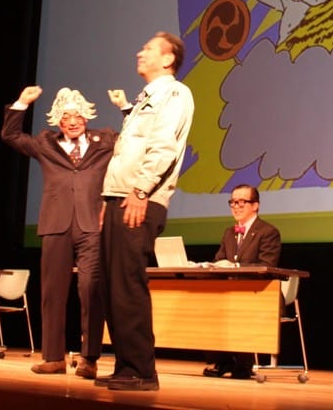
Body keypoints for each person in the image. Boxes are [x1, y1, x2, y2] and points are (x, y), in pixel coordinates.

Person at [1, 85, 125, 379]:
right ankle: (53, 358)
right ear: (58, 120)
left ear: (86, 118)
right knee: (52, 292)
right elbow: (11, 136)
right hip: (55, 225)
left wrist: (125, 107)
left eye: (77, 116)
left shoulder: (105, 139)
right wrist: (22, 102)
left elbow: (134, 138)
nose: (72, 122)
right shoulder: (45, 143)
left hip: (91, 225)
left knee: (91, 289)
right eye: (66, 117)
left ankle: (89, 358)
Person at [96, 31, 195, 392]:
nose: (140, 53)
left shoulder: (174, 93)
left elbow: (163, 147)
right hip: (120, 197)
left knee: (128, 284)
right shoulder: (144, 99)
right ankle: (125, 365)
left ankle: (141, 370)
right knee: (112, 286)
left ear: (168, 59)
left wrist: (140, 190)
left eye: (149, 49)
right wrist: (108, 200)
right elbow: (126, 152)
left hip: (140, 197)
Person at [202, 184, 282, 379]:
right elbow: (219, 260)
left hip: (260, 293)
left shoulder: (268, 231)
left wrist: (236, 267)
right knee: (206, 303)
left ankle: (243, 364)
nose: (236, 206)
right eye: (233, 202)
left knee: (240, 306)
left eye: (241, 202)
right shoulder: (229, 232)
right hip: (231, 292)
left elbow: (267, 265)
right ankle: (222, 361)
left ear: (255, 205)